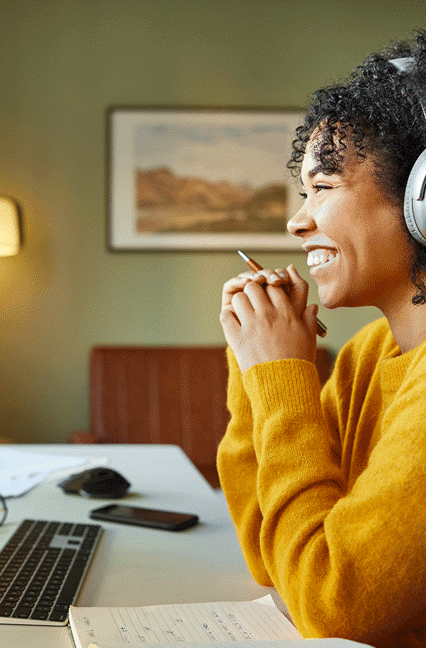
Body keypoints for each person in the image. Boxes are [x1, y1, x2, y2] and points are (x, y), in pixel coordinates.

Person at [217, 31, 426, 647]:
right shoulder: (370, 355)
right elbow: (273, 553)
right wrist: (257, 367)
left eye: (324, 188)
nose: (297, 219)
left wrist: (281, 379)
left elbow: (334, 604)